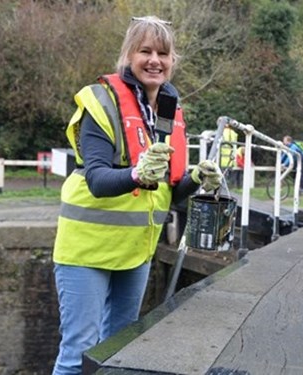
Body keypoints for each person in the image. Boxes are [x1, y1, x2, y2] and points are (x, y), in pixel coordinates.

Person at [51, 16, 221, 375]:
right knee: (77, 353)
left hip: (136, 251)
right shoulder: (101, 104)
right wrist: (135, 174)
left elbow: (170, 194)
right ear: (128, 55)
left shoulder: (170, 111)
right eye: (145, 51)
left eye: (163, 52)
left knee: (120, 348)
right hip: (87, 250)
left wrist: (195, 178)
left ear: (173, 60)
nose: (154, 60)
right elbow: (97, 179)